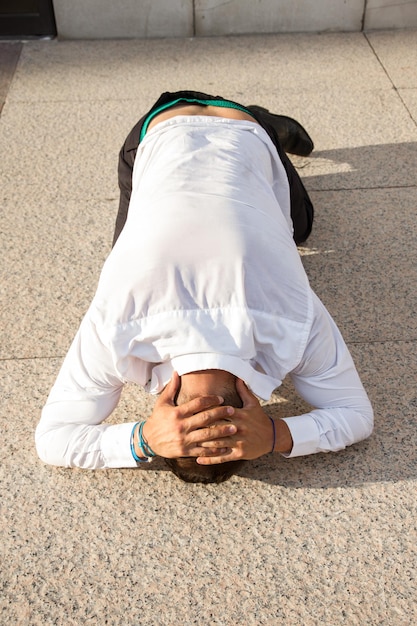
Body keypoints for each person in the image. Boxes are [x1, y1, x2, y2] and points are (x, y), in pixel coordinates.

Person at [35, 90, 373, 483]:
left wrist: (276, 434)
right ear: (164, 405)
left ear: (252, 400)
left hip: (244, 130)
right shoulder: (114, 326)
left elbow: (355, 417)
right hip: (156, 131)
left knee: (302, 228)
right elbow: (54, 441)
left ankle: (266, 124)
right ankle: (261, 125)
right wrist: (142, 438)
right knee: (125, 253)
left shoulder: (294, 322)